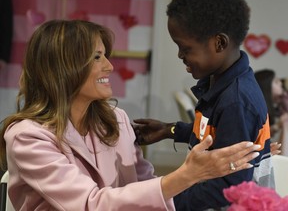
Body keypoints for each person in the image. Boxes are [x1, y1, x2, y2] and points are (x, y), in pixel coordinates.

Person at [0, 19, 261, 211]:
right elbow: (90, 205)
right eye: (97, 57)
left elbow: (144, 183)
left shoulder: (115, 119)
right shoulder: (27, 137)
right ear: (63, 68)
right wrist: (187, 175)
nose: (110, 66)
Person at [133, 0, 274, 210]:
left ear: (219, 43)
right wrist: (169, 130)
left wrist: (167, 202)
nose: (180, 55)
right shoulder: (218, 81)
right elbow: (213, 134)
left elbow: (227, 189)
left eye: (185, 48)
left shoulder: (236, 102)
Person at [255, 69, 288, 156]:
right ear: (267, 86)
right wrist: (283, 124)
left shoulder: (277, 108)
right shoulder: (259, 112)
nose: (281, 84)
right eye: (276, 82)